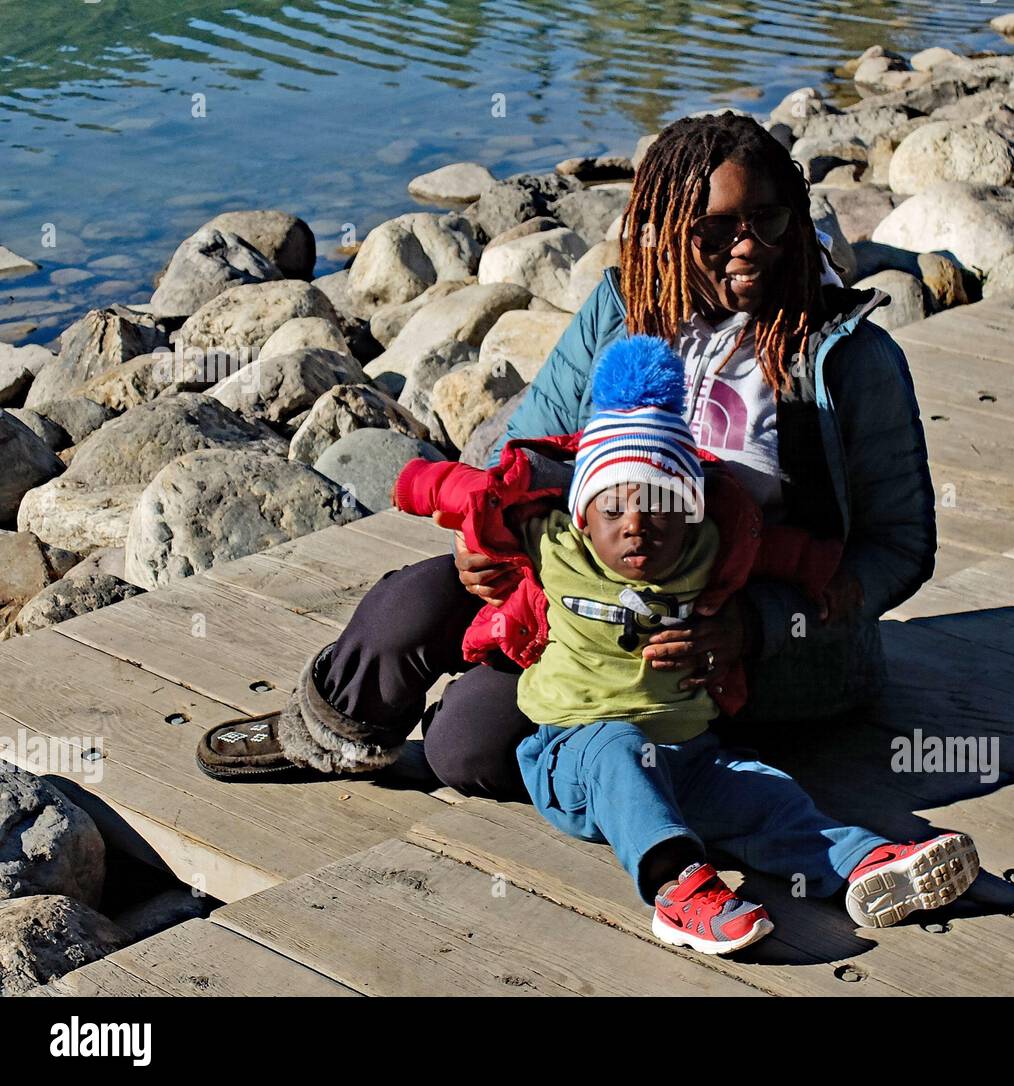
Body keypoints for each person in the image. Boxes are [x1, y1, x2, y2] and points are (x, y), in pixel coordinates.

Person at [194, 110, 936, 794]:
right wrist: (497, 536)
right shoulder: (622, 309)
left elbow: (899, 548)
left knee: (467, 751)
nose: (748, 247)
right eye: (715, 231)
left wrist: (758, 626)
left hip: (722, 633)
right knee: (410, 604)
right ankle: (329, 730)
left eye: (768, 219)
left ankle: (581, 745)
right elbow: (529, 452)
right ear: (664, 231)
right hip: (579, 571)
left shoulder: (846, 357)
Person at [424, 337, 978, 954]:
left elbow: (779, 548)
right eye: (612, 509)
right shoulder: (557, 545)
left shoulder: (710, 550)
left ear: (690, 513)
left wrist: (827, 574)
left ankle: (863, 862)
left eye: (659, 505)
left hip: (690, 753)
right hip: (577, 756)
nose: (635, 522)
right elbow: (473, 492)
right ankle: (676, 886)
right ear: (583, 517)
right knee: (618, 746)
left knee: (762, 790)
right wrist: (417, 482)